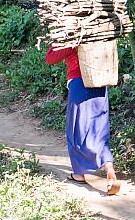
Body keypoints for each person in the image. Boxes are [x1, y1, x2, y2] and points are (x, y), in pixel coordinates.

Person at [45, 44, 120, 195]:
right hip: (99, 82)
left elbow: (51, 59)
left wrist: (55, 43)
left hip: (80, 84)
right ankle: (109, 167)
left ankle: (79, 174)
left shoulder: (73, 37)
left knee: (76, 130)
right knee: (99, 130)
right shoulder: (99, 36)